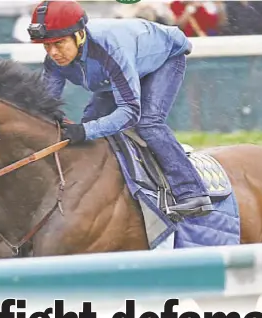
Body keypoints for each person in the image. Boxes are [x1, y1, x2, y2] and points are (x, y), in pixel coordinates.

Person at [27, 0, 214, 217]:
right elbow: (42, 106)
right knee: (90, 122)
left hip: (163, 59)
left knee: (147, 123)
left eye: (58, 43)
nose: (53, 53)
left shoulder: (108, 50)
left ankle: (193, 193)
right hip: (121, 69)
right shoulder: (54, 60)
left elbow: (129, 113)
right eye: (46, 46)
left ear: (80, 35)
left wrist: (84, 131)